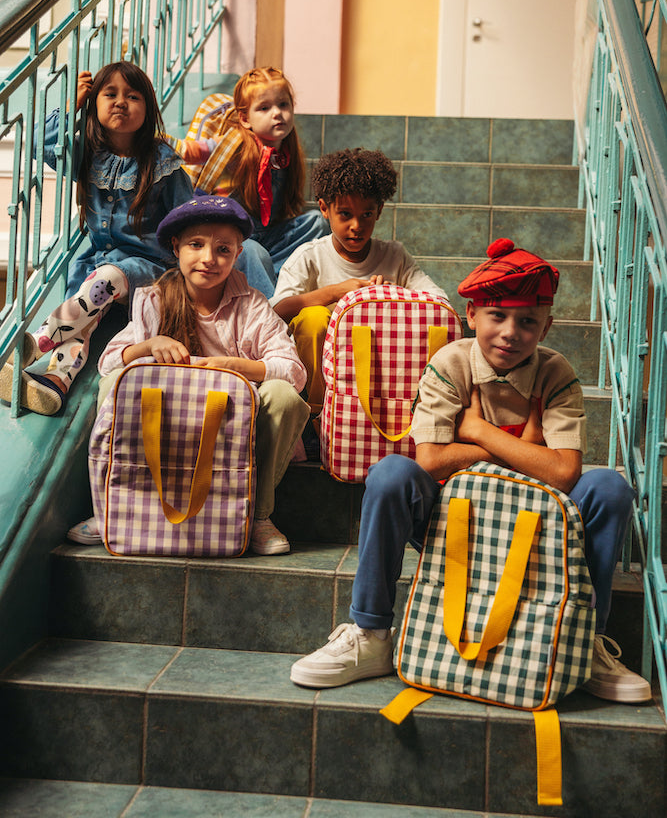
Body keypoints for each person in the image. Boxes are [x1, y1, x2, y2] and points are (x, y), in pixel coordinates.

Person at [290, 237, 651, 703]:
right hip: (454, 519)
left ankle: (584, 641)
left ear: (547, 327)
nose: (509, 332)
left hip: (539, 524)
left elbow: (564, 476)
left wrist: (479, 431)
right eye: (496, 316)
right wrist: (527, 448)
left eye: (527, 321)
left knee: (609, 486)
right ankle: (372, 632)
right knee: (391, 475)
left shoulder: (557, 374)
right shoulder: (450, 361)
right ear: (471, 315)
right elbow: (431, 460)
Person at [67, 195, 310, 554]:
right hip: (167, 430)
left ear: (237, 255)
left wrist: (235, 367)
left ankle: (257, 514)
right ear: (176, 247)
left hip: (233, 437)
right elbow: (109, 362)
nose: (209, 259)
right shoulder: (154, 299)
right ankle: (113, 505)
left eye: (223, 249)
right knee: (112, 384)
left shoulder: (252, 304)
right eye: (196, 245)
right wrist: (149, 346)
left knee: (285, 395)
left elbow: (294, 370)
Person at [0, 63, 193, 416]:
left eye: (133, 96)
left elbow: (189, 220)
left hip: (147, 266)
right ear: (95, 103)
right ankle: (56, 382)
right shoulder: (89, 154)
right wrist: (72, 104)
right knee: (85, 314)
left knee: (105, 281)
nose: (121, 102)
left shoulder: (163, 162)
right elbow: (41, 145)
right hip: (96, 261)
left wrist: (187, 274)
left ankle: (39, 340)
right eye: (110, 94)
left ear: (148, 109)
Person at [271, 147, 449, 417]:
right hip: (319, 379)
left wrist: (391, 297)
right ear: (324, 209)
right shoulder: (309, 257)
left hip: (375, 370)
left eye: (366, 214)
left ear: (379, 211)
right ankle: (317, 414)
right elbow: (277, 311)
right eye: (345, 214)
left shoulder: (394, 256)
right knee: (315, 317)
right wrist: (336, 292)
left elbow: (440, 303)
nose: (357, 225)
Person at [174, 67, 329, 298]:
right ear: (245, 119)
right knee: (253, 252)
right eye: (264, 108)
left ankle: (280, 277)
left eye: (283, 105)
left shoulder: (286, 153)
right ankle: (272, 309)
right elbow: (192, 152)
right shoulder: (234, 144)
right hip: (229, 238)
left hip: (266, 234)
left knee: (317, 222)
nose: (277, 113)